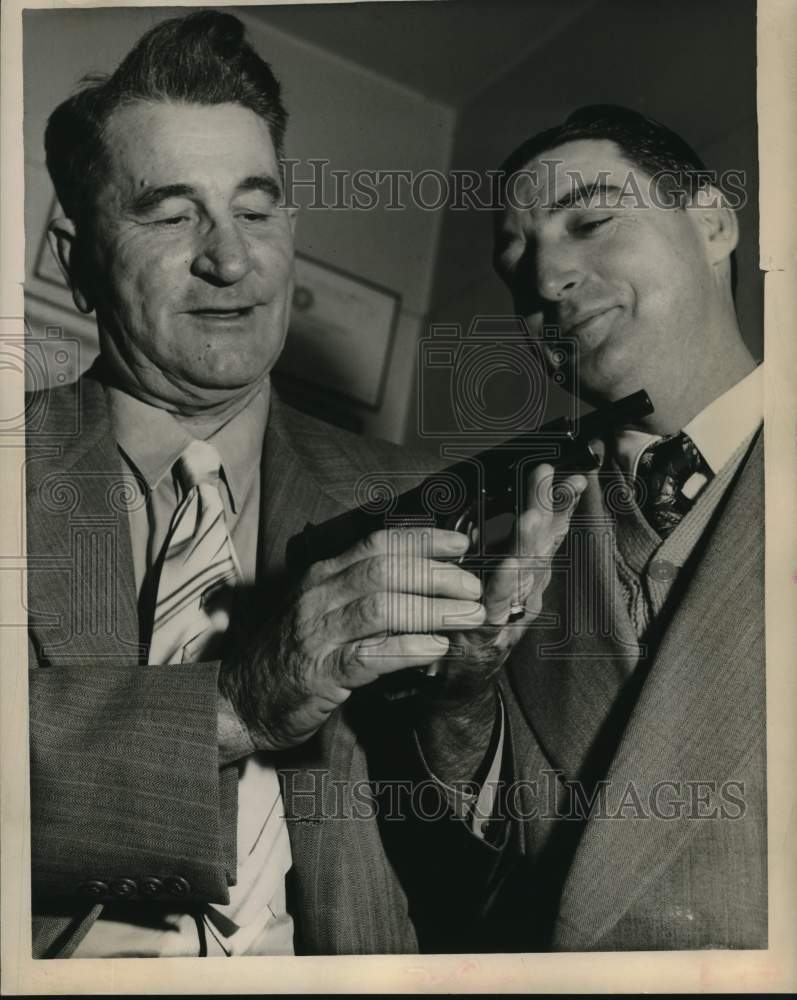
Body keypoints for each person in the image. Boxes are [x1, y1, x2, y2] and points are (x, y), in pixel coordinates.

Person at [25, 11, 585, 958]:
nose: (231, 259)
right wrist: (234, 705)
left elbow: (501, 901)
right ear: (78, 262)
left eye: (255, 210)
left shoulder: (427, 495)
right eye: (170, 213)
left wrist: (458, 707)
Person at [475, 105, 764, 951]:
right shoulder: (490, 538)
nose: (545, 278)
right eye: (515, 256)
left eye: (591, 221)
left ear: (710, 223)